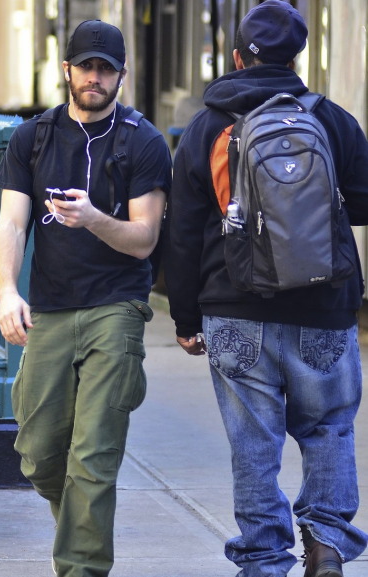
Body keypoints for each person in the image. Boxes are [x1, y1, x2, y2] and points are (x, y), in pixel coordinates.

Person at [164, 2, 368, 577]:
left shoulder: (207, 126)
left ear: (235, 57)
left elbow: (181, 232)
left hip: (234, 309)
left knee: (254, 444)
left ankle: (263, 557)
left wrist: (185, 318)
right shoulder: (332, 120)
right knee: (328, 428)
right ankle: (326, 544)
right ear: (297, 57)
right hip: (324, 305)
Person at [0, 19, 171, 577]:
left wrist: (94, 219)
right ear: (66, 69)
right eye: (86, 66)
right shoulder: (33, 137)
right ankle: (79, 528)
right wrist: (5, 291)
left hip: (116, 309)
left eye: (106, 69)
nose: (95, 78)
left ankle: (80, 568)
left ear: (122, 75)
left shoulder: (143, 141)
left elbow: (144, 241)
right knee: (41, 454)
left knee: (93, 458)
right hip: (49, 308)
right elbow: (13, 224)